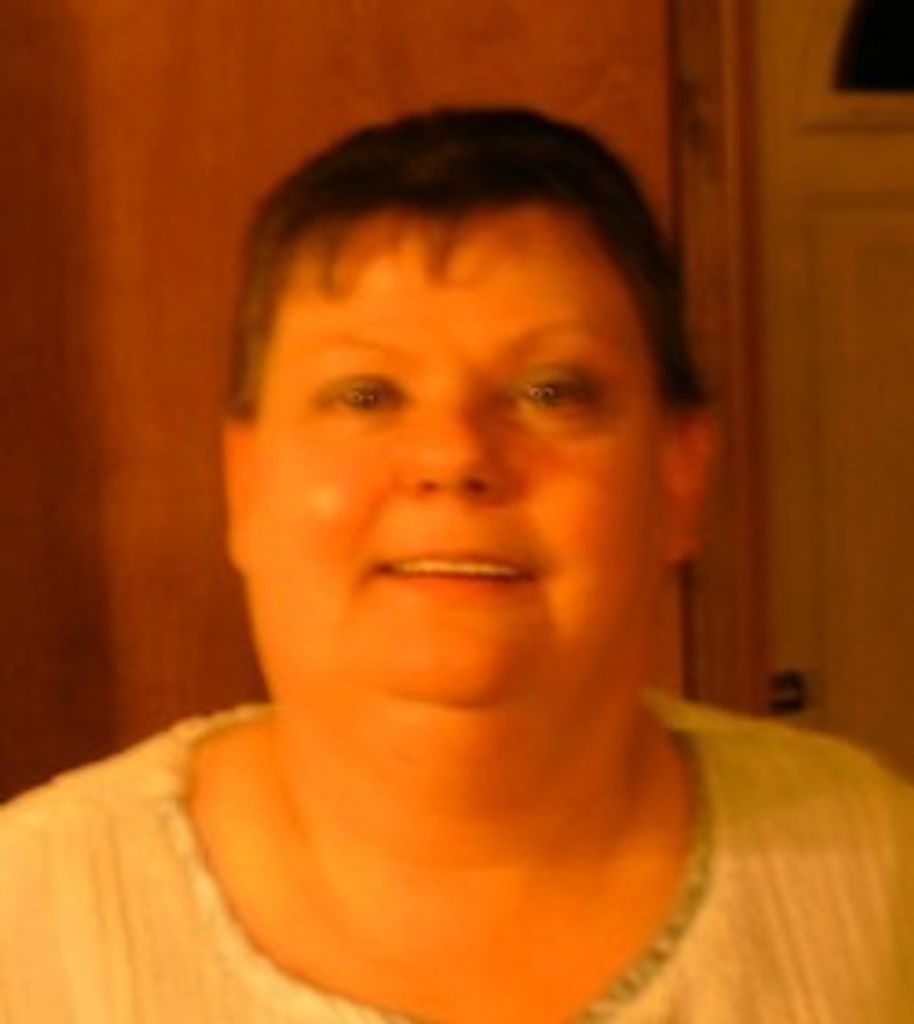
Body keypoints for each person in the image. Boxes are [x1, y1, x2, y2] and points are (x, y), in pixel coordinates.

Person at [0, 107, 911, 1023]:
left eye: (551, 392)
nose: (453, 455)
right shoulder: (32, 920)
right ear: (247, 483)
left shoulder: (880, 879)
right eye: (365, 395)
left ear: (679, 477)